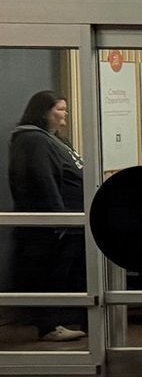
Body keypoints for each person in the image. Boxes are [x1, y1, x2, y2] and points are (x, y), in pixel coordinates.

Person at [8, 90, 85, 342]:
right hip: (52, 226)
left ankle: (70, 317)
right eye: (60, 108)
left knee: (67, 274)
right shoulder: (32, 140)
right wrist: (58, 217)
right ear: (44, 111)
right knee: (49, 274)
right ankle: (49, 326)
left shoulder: (54, 139)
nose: (65, 114)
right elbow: (43, 180)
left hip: (72, 223)